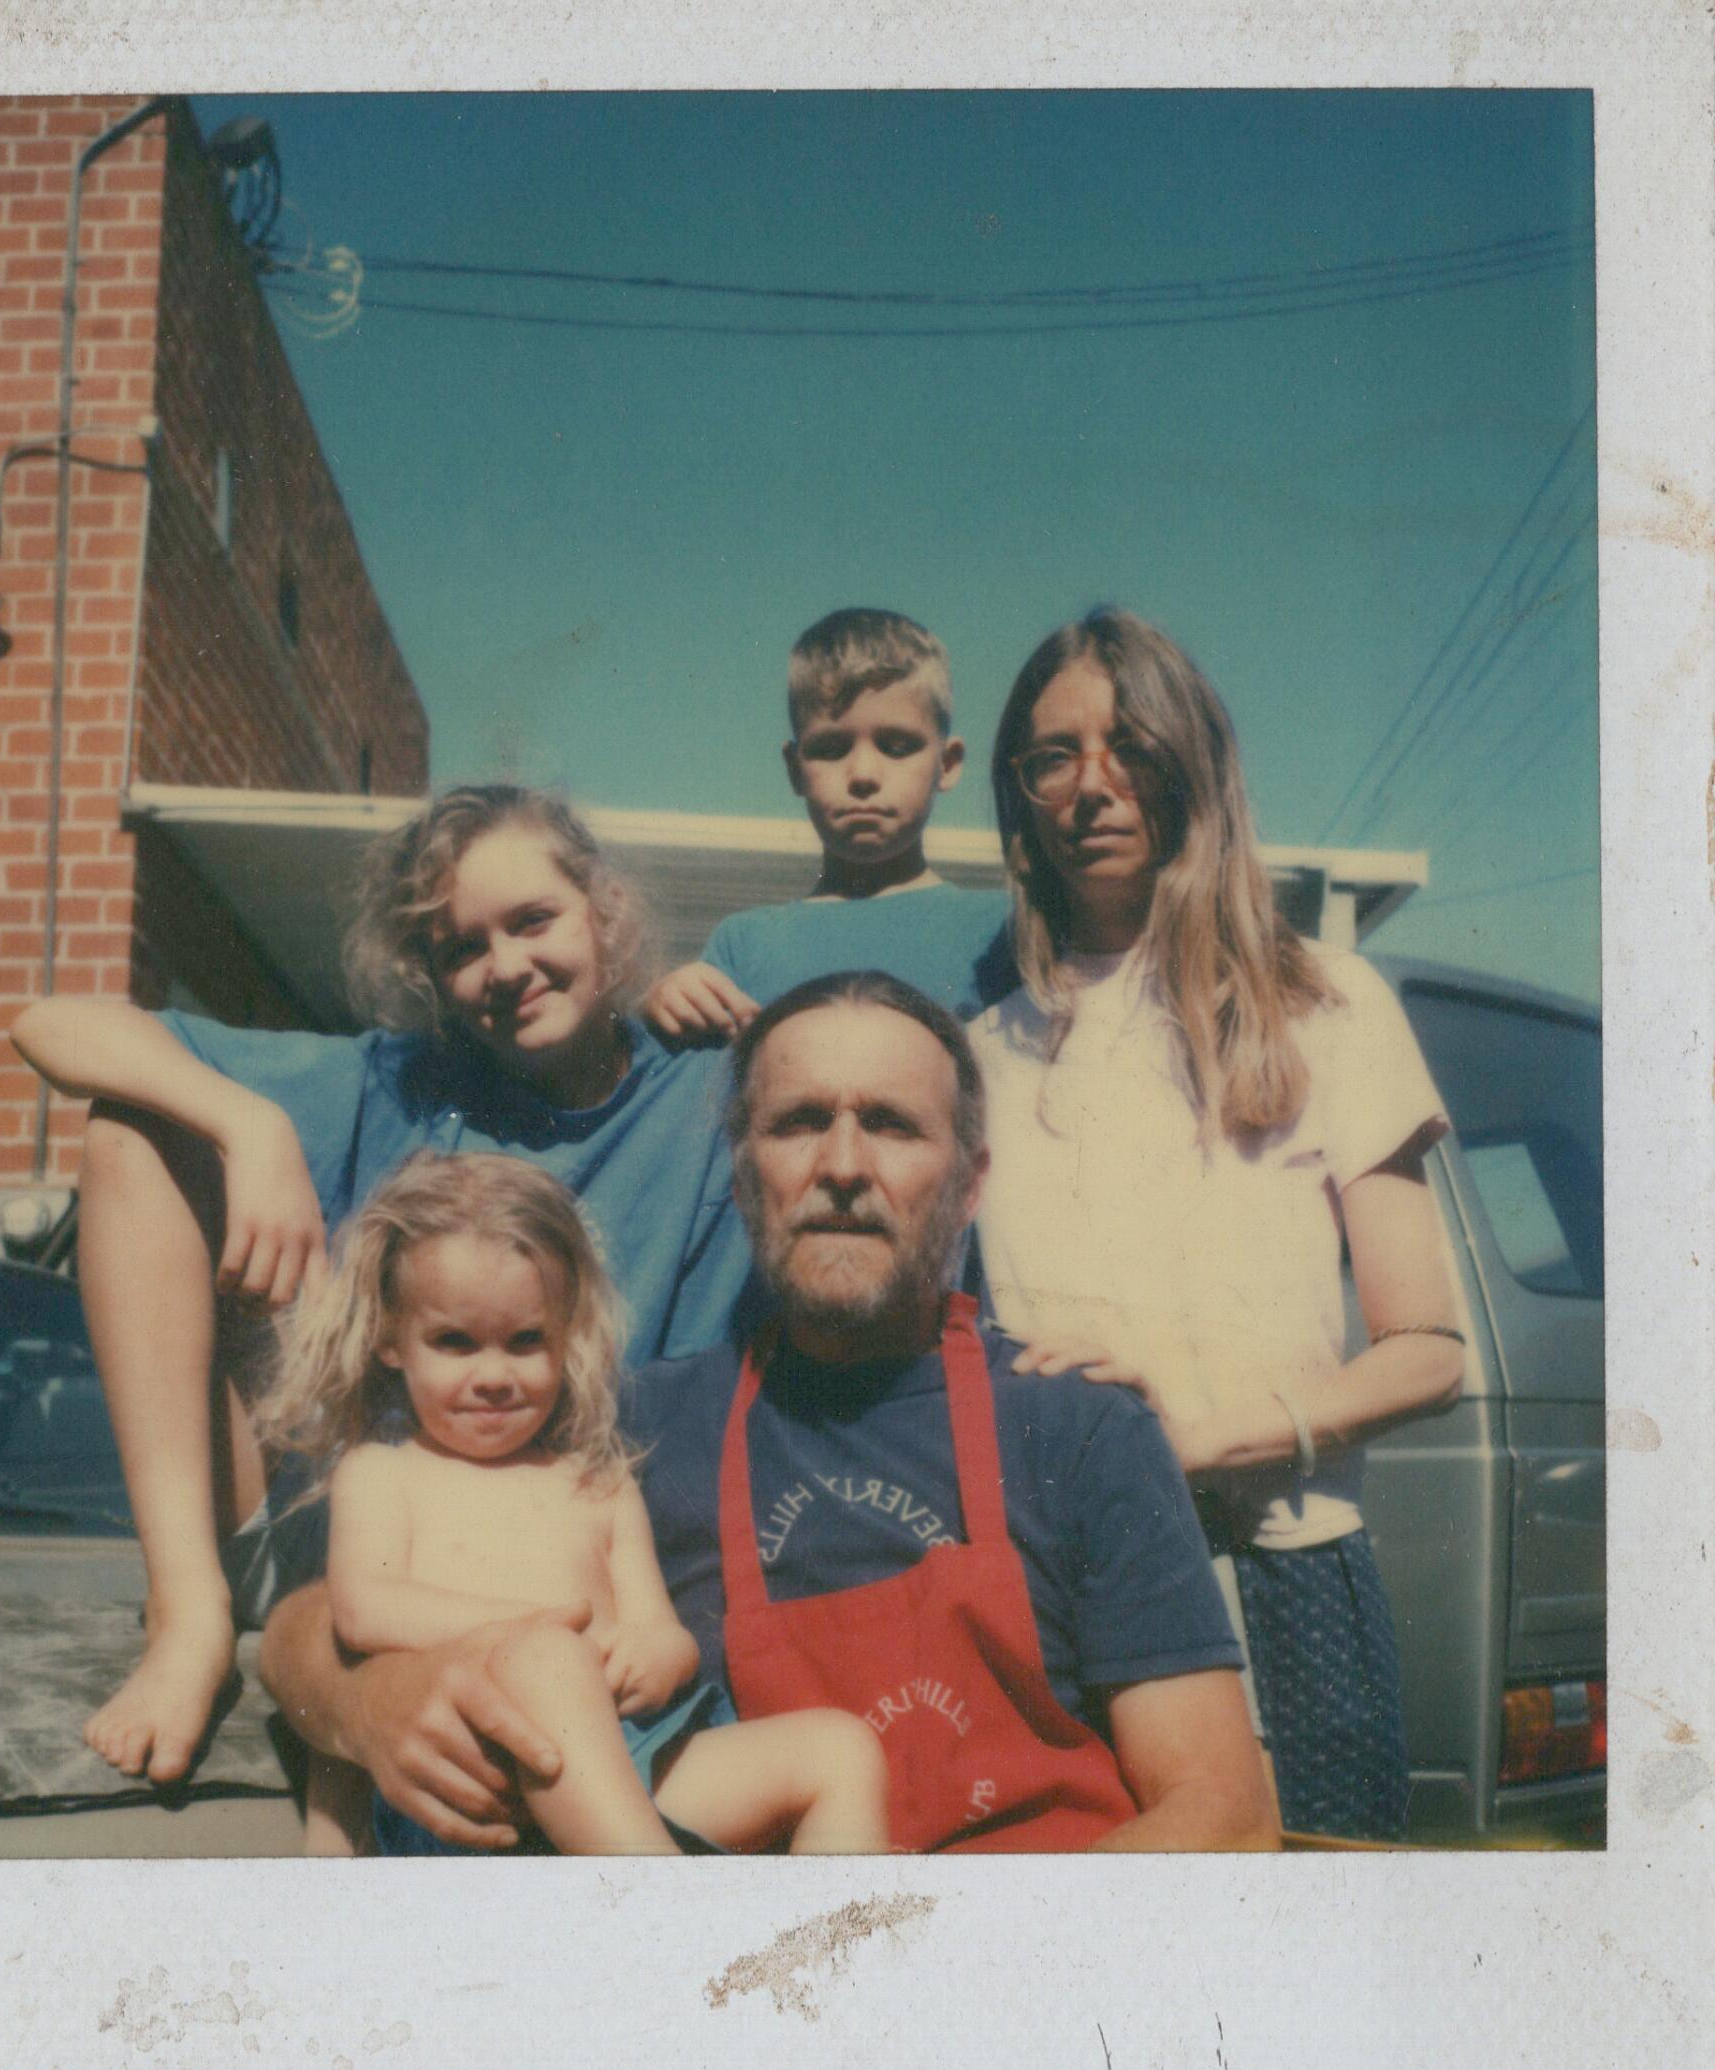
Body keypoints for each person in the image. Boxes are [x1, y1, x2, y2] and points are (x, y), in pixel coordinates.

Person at [260, 973, 1279, 1854]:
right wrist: (364, 1704)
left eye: (892, 1125)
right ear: (744, 1178)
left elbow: (1226, 1816)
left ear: (969, 1186)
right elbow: (301, 1626)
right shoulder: (627, 1425)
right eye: (797, 1124)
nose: (842, 1166)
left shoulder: (1076, 1426)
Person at [10, 785, 753, 1800]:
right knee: (130, 1129)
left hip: (569, 1559)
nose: (506, 966)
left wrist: (699, 990)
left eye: (535, 920)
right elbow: (50, 1023)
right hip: (361, 1541)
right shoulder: (400, 1082)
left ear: (606, 913)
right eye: (463, 948)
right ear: (430, 978)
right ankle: (187, 1614)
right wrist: (250, 1126)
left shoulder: (703, 1087)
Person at [967, 607, 1465, 1840]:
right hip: (1062, 1597)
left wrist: (1197, 1442)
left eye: (1128, 746)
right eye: (1052, 757)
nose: (1092, 785)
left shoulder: (1323, 1003)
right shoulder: (978, 1055)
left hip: (1286, 1575)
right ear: (1017, 793)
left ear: (1190, 760)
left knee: (1305, 1933)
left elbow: (1428, 1354)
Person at [259, 1148, 889, 1855]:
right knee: (546, 1659)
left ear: (566, 1336)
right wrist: (544, 1637)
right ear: (390, 1341)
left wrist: (656, 1655)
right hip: (476, 1777)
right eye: (455, 1342)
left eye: (526, 1341)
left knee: (841, 1750)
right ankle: (659, 1897)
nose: (493, 1375)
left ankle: (829, 1930)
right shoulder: (382, 1472)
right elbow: (364, 1609)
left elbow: (662, 1631)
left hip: (628, 1764)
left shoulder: (599, 1483)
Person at [642, 608, 1013, 1044]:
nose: (863, 775)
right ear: (795, 769)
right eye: (831, 748)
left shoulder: (1002, 931)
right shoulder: (743, 946)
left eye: (896, 746)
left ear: (947, 764)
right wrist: (662, 1004)